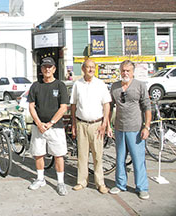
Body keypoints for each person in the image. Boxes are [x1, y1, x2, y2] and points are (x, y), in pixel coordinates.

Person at [108, 60, 152, 200]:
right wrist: (108, 125)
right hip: (119, 129)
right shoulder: (114, 87)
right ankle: (120, 184)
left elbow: (147, 107)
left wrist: (146, 127)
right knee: (120, 158)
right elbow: (109, 107)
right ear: (120, 71)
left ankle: (142, 187)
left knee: (138, 159)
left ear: (133, 72)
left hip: (136, 129)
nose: (125, 73)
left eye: (128, 70)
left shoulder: (140, 86)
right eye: (123, 70)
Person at [27, 57, 69, 196]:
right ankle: (40, 179)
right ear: (41, 69)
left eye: (50, 67)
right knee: (38, 154)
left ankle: (60, 183)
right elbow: (31, 106)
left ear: (54, 69)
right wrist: (39, 123)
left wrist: (50, 123)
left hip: (55, 127)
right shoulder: (35, 86)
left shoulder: (60, 85)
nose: (47, 69)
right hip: (38, 127)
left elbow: (63, 107)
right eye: (45, 67)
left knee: (58, 155)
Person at [70, 59, 111, 194]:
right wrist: (74, 125)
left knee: (98, 156)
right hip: (81, 124)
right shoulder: (77, 84)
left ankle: (100, 183)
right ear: (83, 69)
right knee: (82, 156)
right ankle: (82, 181)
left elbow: (106, 105)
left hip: (97, 125)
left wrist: (105, 124)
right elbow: (73, 105)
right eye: (88, 67)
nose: (91, 69)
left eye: (93, 67)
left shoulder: (100, 84)